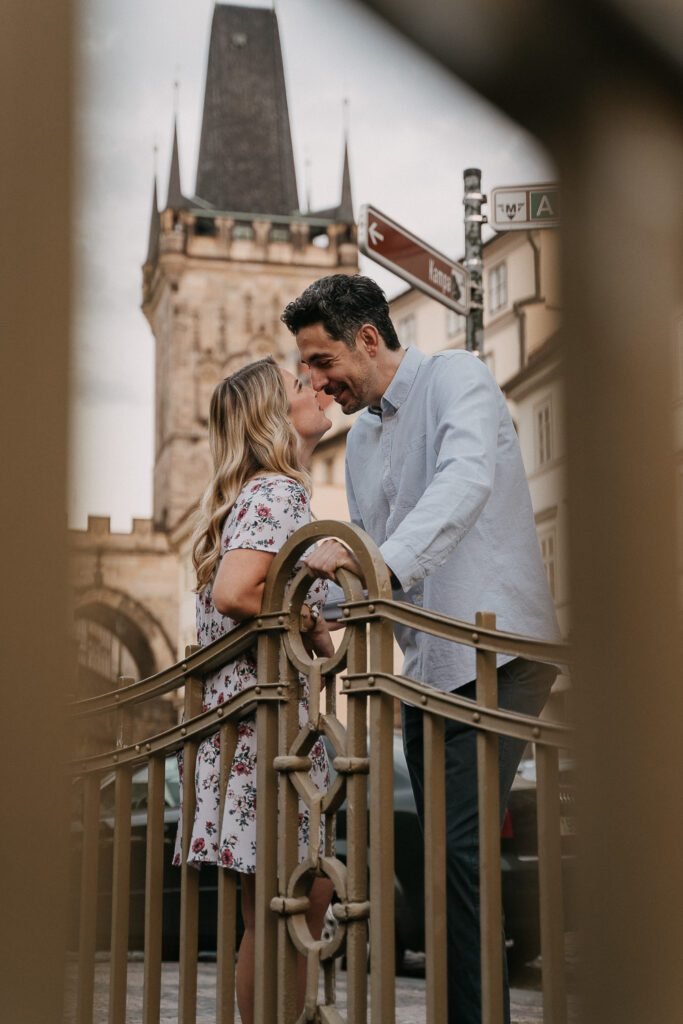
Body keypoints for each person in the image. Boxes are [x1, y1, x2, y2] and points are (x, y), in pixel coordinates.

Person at [281, 274, 561, 1024]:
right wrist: (328, 610)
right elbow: (379, 561)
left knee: (461, 854)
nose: (314, 382)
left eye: (320, 360)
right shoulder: (366, 437)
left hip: (495, 653)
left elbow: (462, 486)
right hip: (427, 668)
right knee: (440, 865)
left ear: (368, 339)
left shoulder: (457, 378)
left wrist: (373, 571)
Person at [172, 357, 335, 1024]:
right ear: (273, 415)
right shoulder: (278, 494)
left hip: (245, 733)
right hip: (265, 738)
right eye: (300, 386)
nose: (315, 388)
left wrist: (307, 619)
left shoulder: (248, 497)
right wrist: (305, 616)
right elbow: (237, 592)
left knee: (272, 910)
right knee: (299, 900)